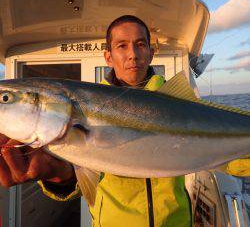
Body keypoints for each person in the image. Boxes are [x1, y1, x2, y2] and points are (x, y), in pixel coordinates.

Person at [0, 15, 249, 226]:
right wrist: (59, 177)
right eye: (122, 46)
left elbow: (229, 162)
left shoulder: (183, 105)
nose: (132, 54)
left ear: (151, 53)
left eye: (140, 44)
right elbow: (76, 182)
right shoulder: (66, 134)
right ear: (108, 56)